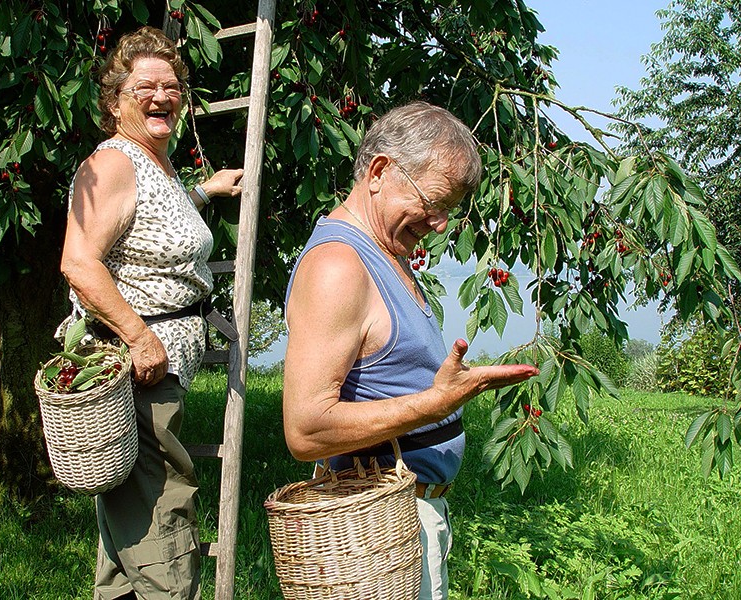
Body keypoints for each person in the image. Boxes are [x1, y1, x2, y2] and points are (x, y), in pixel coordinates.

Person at [282, 101, 538, 600]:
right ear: (380, 172)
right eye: (435, 202)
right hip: (374, 531)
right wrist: (437, 404)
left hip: (408, 522)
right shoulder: (340, 266)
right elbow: (305, 431)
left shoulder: (385, 254)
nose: (441, 223)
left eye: (451, 210)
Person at [58, 26, 243, 599]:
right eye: (145, 86)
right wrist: (139, 338)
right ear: (115, 101)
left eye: (172, 85)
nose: (162, 95)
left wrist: (203, 193)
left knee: (123, 543)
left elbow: (148, 229)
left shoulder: (152, 166)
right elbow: (79, 262)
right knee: (164, 513)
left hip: (155, 372)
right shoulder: (113, 163)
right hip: (134, 375)